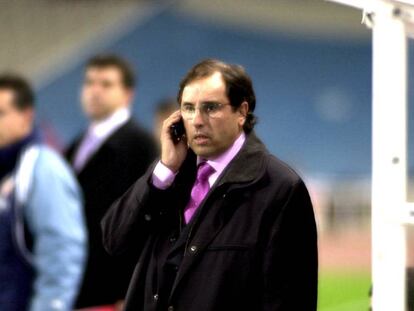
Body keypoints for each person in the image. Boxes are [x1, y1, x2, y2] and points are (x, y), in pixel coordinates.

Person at [102, 59, 318, 310]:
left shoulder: (279, 188)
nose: (197, 120)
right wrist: (164, 170)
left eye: (211, 108)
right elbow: (113, 240)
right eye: (189, 108)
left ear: (241, 112)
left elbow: (289, 302)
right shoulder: (168, 176)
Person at [65, 54, 157, 309]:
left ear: (127, 94)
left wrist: (128, 289)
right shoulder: (77, 144)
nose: (94, 91)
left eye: (105, 84)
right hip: (76, 283)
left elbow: (144, 223)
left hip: (110, 291)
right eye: (89, 83)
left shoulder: (140, 145)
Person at [0, 74, 86, 311]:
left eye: (1, 113)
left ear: (27, 115)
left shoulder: (43, 169)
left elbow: (61, 256)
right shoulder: (7, 173)